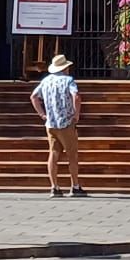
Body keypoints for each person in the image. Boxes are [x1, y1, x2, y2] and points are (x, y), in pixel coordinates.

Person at [31, 52, 85, 198]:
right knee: (72, 155)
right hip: (66, 122)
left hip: (51, 123)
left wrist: (42, 114)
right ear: (65, 68)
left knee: (53, 154)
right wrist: (76, 114)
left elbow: (34, 97)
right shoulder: (69, 81)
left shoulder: (46, 81)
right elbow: (76, 96)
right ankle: (75, 186)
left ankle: (54, 186)